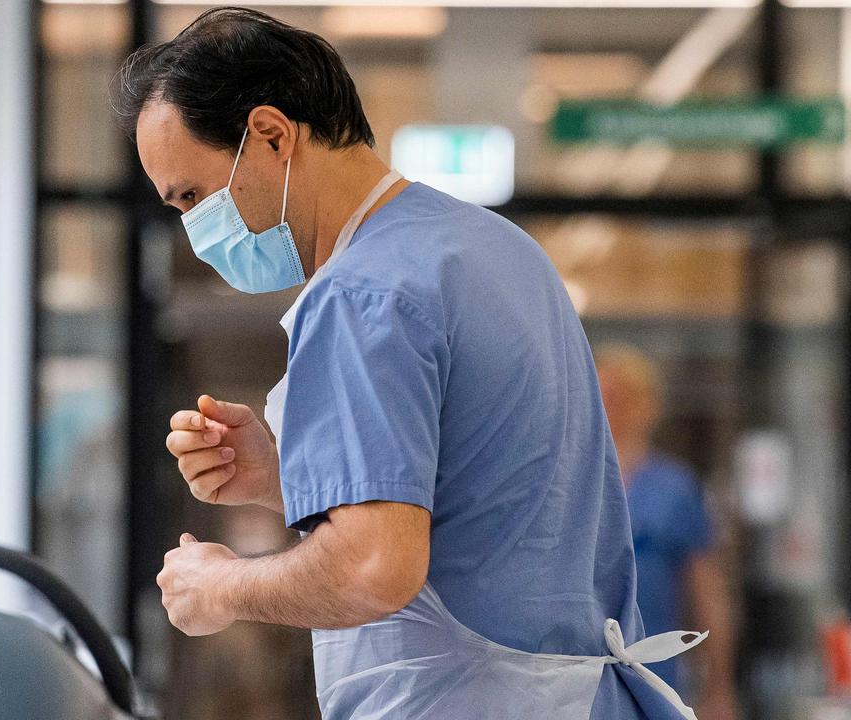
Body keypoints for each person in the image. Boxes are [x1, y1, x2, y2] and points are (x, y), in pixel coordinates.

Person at [114, 8, 707, 718]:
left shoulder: (360, 292)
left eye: (191, 196)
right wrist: (287, 476)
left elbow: (374, 569)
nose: (193, 226)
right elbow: (486, 512)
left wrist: (220, 587)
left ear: (270, 136)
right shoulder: (496, 250)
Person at [595, 344, 739, 720]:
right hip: (582, 674)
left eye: (624, 398)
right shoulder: (574, 484)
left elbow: (706, 592)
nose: (613, 408)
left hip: (656, 671)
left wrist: (719, 686)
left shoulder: (674, 489)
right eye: (604, 396)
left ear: (648, 406)